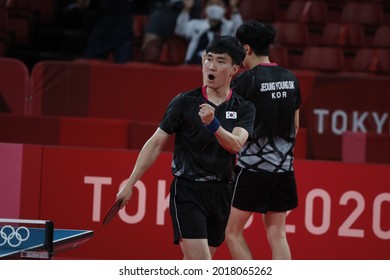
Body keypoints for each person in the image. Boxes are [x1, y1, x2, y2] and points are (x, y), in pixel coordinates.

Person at [116, 35, 255, 260]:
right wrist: (130, 183)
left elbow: (236, 144)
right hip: (188, 190)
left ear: (234, 69)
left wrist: (213, 125)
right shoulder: (184, 102)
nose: (211, 65)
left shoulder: (244, 108)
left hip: (221, 193)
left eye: (221, 61)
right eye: (208, 59)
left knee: (191, 264)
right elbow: (156, 143)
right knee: (201, 265)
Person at [224, 21, 302, 260]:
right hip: (284, 169)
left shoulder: (245, 82)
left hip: (253, 170)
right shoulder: (290, 78)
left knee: (233, 232)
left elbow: (229, 127)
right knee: (277, 233)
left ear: (246, 49)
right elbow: (296, 125)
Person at [175, 0, 242, 65]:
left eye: (218, 4)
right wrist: (186, 9)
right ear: (205, 8)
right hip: (194, 65)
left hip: (220, 68)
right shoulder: (196, 24)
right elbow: (180, 30)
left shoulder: (229, 26)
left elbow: (240, 33)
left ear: (225, 8)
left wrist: (233, 7)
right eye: (211, 4)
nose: (214, 7)